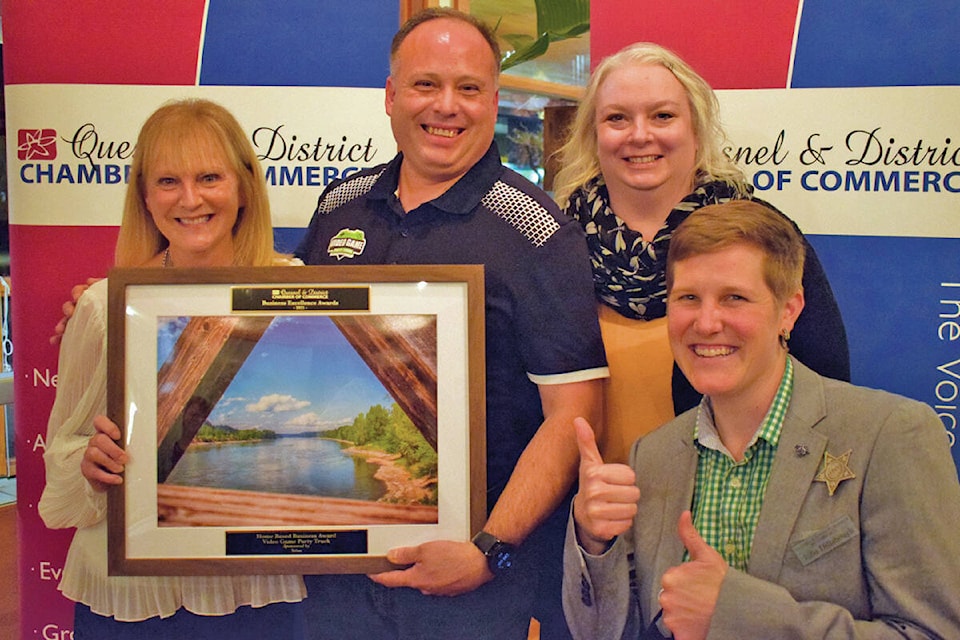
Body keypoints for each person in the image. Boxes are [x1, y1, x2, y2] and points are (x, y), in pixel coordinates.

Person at [294, 8, 607, 639]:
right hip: (334, 574)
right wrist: (113, 310)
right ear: (389, 96)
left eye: (469, 88)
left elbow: (575, 415)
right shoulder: (338, 208)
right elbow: (283, 332)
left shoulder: (537, 233)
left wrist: (489, 550)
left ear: (493, 101)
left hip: (467, 583)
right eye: (425, 84)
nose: (448, 106)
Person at [563, 200, 960, 640]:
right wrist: (593, 541)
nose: (707, 323)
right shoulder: (652, 454)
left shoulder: (891, 434)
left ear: (789, 310)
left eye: (734, 298)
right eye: (688, 298)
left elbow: (933, 632)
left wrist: (737, 613)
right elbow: (606, 633)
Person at [39, 99, 307, 639]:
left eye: (209, 176)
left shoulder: (305, 293)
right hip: (131, 595)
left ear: (244, 186)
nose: (190, 199)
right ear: (144, 196)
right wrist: (90, 467)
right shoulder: (103, 306)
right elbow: (61, 454)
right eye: (168, 181)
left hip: (254, 591)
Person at [552, 42, 850, 465]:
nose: (640, 134)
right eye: (617, 117)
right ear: (593, 133)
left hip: (733, 507)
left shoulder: (759, 236)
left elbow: (828, 389)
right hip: (588, 513)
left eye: (663, 116)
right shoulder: (555, 245)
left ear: (696, 129)